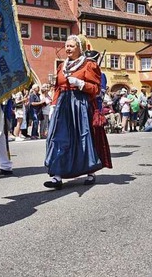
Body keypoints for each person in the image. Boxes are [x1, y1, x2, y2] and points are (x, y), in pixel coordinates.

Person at [44, 34, 111, 189]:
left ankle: (90, 170)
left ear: (79, 48)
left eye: (71, 46)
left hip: (81, 105)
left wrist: (81, 84)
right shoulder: (61, 66)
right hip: (63, 105)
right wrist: (53, 106)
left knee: (83, 137)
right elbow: (57, 88)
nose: (68, 48)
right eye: (66, 45)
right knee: (58, 138)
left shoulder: (89, 65)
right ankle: (57, 175)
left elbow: (95, 89)